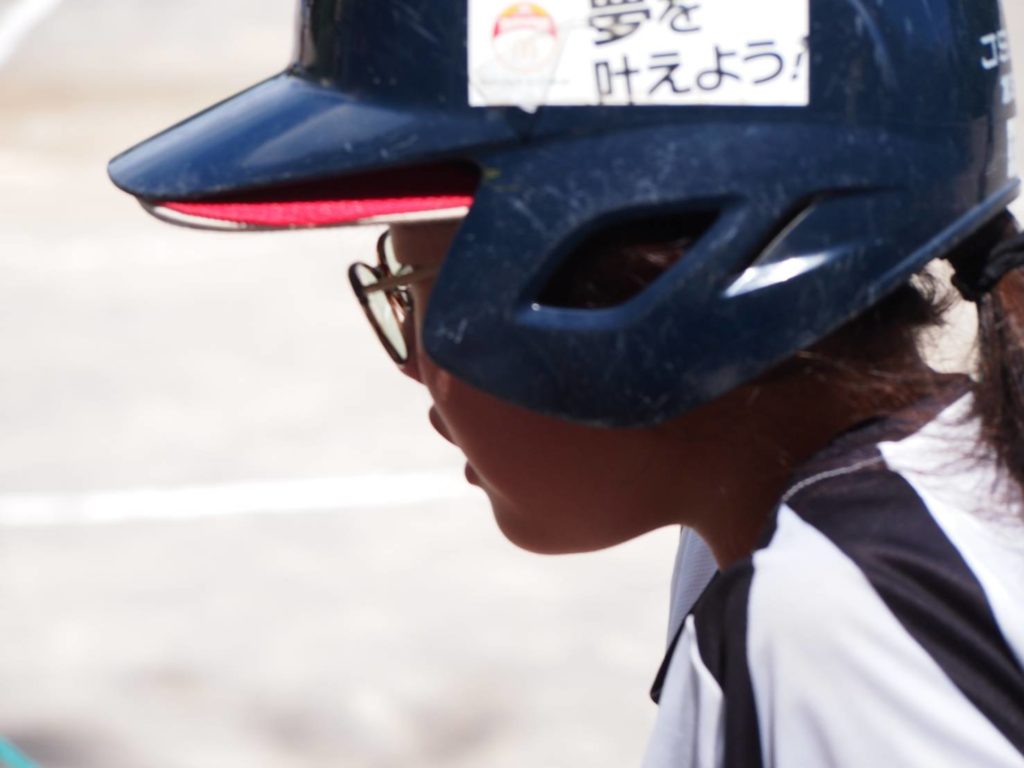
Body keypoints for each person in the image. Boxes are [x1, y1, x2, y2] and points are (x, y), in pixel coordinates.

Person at [108, 0, 1024, 764]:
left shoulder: (845, 618)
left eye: (417, 294)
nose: (417, 371)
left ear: (645, 279)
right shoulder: (836, 524)